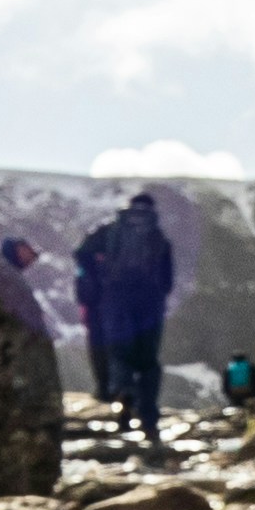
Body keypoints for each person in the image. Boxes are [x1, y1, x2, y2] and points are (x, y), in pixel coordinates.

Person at [69, 190, 181, 451]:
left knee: (119, 353)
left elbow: (81, 253)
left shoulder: (109, 230)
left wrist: (98, 277)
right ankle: (149, 419)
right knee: (148, 361)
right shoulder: (158, 237)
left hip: (115, 300)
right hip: (150, 304)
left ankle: (124, 394)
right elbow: (167, 281)